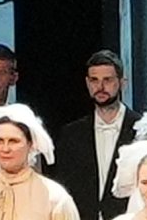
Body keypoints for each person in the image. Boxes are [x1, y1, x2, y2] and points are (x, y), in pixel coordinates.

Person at [51, 47, 131, 200]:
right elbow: (63, 185)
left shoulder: (140, 129)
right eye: (94, 80)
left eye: (107, 80)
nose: (100, 87)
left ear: (122, 83)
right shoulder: (71, 134)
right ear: (87, 83)